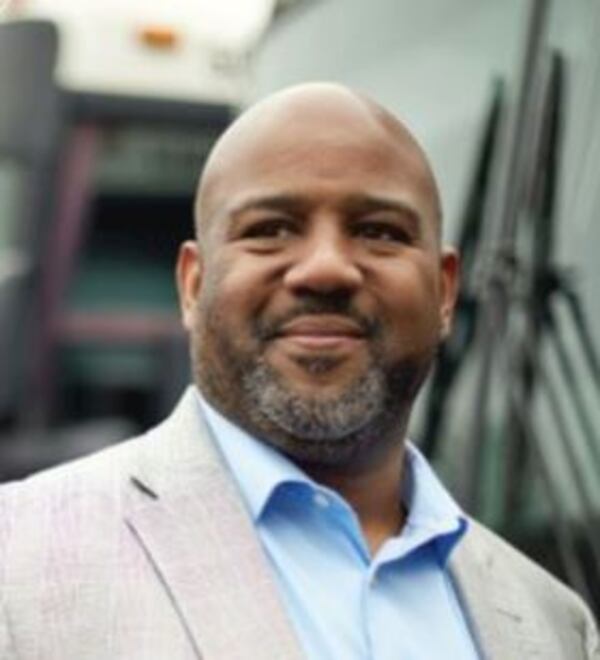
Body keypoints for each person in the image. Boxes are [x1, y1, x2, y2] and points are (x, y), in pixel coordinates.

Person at [0, 83, 598, 660]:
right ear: (193, 285)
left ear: (444, 292)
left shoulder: (555, 626)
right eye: (270, 230)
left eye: (378, 232)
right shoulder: (18, 559)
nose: (326, 269)